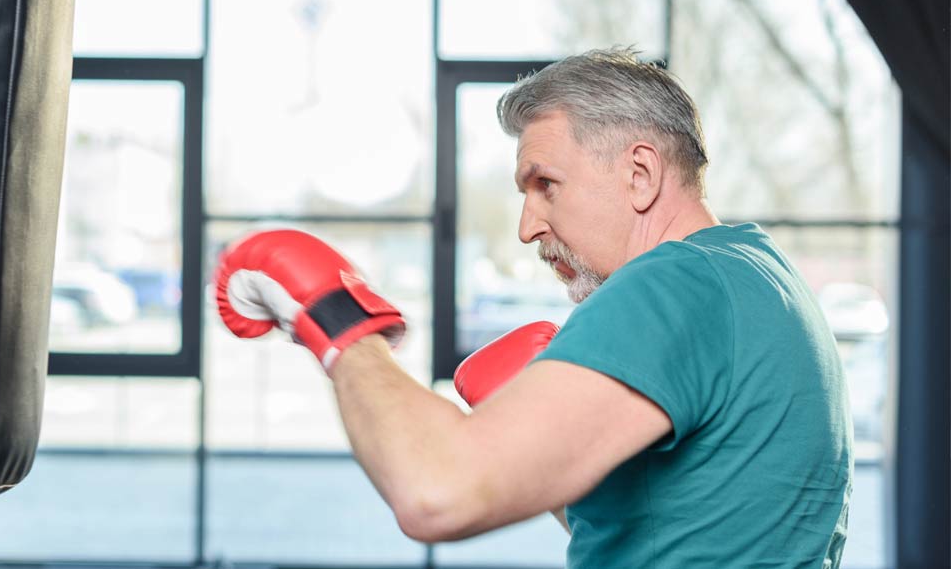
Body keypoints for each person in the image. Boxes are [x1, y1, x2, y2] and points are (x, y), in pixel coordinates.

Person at [213, 47, 852, 567]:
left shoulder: (671, 286)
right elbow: (698, 527)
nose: (526, 226)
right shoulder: (761, 278)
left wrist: (338, 319)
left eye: (546, 184)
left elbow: (436, 493)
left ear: (640, 174)